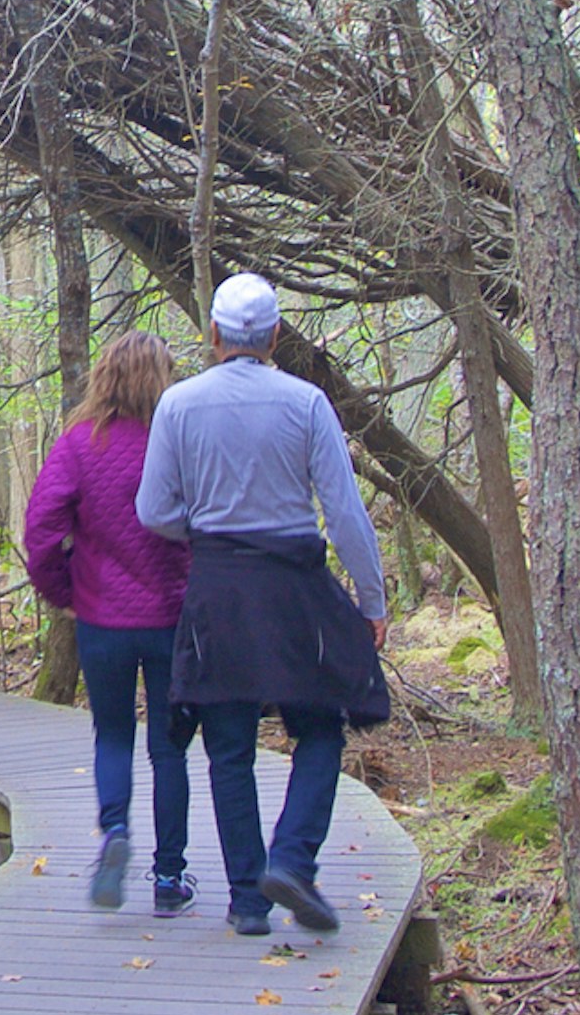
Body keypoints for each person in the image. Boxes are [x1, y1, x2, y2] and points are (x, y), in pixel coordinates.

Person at [135, 271, 390, 938]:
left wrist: (208, 527)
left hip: (218, 585)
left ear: (213, 334)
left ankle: (249, 899)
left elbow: (153, 510)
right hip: (295, 589)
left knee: (229, 746)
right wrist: (372, 601)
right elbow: (344, 511)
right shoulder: (306, 403)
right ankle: (294, 859)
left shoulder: (179, 406)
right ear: (276, 335)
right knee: (322, 728)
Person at [23, 333, 196, 914]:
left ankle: (115, 833)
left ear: (104, 377)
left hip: (102, 619)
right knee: (169, 749)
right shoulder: (182, 442)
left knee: (113, 734)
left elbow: (41, 528)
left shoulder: (78, 443)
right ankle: (169, 881)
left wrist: (62, 592)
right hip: (173, 617)